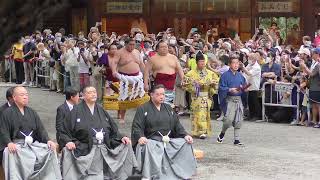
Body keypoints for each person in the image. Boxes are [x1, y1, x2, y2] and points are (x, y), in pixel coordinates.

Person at [59, 86, 137, 180]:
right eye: (89, 92)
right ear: (82, 96)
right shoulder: (75, 111)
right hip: (85, 147)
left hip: (104, 146)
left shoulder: (101, 110)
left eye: (94, 92)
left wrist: (122, 137)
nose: (93, 94)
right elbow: (63, 131)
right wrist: (68, 141)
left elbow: (113, 130)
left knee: (125, 144)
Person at [131, 84, 196, 180]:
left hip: (168, 141)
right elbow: (137, 127)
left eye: (163, 94)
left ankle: (183, 171)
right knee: (147, 146)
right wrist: (140, 137)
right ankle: (149, 174)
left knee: (186, 143)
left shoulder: (168, 108)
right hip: (151, 142)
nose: (161, 97)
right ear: (151, 95)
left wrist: (185, 135)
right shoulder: (143, 108)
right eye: (158, 94)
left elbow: (177, 125)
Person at [0, 86, 61, 179]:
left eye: (26, 95)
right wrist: (9, 143)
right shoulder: (7, 113)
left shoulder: (32, 112)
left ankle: (48, 177)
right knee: (10, 153)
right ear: (14, 97)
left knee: (50, 149)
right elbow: (4, 131)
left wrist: (48, 140)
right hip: (17, 145)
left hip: (32, 144)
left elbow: (41, 129)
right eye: (22, 95)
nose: (25, 97)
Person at [183, 52, 219, 139]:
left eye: (203, 61)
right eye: (200, 61)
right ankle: (197, 131)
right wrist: (197, 85)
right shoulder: (191, 73)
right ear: (196, 62)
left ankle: (203, 131)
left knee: (204, 114)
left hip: (206, 96)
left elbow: (216, 81)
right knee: (197, 114)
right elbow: (185, 83)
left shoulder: (210, 73)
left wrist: (212, 84)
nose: (202, 63)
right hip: (196, 96)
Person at [110, 37, 146, 123]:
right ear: (125, 44)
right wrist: (114, 71)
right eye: (130, 44)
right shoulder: (119, 52)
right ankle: (122, 117)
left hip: (137, 77)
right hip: (124, 78)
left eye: (133, 45)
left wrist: (146, 74)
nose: (132, 46)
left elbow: (141, 64)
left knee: (140, 97)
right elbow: (114, 62)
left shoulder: (137, 52)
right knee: (124, 96)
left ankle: (142, 117)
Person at [217, 54, 247, 146]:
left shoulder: (241, 76)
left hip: (238, 99)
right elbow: (221, 88)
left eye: (237, 63)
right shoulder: (225, 75)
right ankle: (222, 133)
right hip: (229, 99)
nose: (236, 65)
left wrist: (245, 88)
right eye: (234, 63)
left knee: (238, 120)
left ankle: (236, 139)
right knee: (228, 120)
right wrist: (229, 89)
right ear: (230, 64)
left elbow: (244, 86)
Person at [144, 41, 184, 106]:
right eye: (162, 47)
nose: (164, 48)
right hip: (159, 86)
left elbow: (179, 69)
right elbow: (146, 72)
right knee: (159, 106)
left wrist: (183, 79)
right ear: (157, 49)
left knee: (170, 107)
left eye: (166, 47)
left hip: (171, 87)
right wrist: (146, 84)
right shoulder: (153, 59)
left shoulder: (173, 57)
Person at [241, 53, 262, 121]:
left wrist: (243, 67)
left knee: (254, 101)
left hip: (254, 86)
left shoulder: (257, 67)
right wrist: (243, 67)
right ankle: (251, 115)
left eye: (250, 58)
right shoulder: (250, 65)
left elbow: (249, 73)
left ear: (254, 59)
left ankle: (257, 115)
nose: (248, 60)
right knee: (250, 101)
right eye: (248, 58)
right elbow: (245, 72)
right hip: (248, 85)